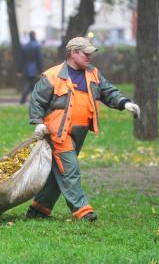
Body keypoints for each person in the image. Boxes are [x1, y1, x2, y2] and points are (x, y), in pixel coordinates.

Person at [26, 37, 140, 222]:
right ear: (73, 53)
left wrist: (124, 103)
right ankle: (82, 210)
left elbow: (108, 91)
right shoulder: (53, 75)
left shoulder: (93, 73)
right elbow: (37, 99)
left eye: (90, 53)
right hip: (58, 132)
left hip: (80, 132)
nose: (89, 57)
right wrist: (38, 122)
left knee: (60, 170)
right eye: (85, 53)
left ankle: (39, 208)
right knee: (69, 170)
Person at [17, 31, 43, 104]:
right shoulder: (37, 46)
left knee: (30, 84)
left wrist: (19, 70)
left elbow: (21, 59)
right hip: (34, 69)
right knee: (32, 85)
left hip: (26, 69)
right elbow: (39, 59)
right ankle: (32, 101)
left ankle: (26, 100)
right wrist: (40, 71)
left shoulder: (25, 46)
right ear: (34, 35)